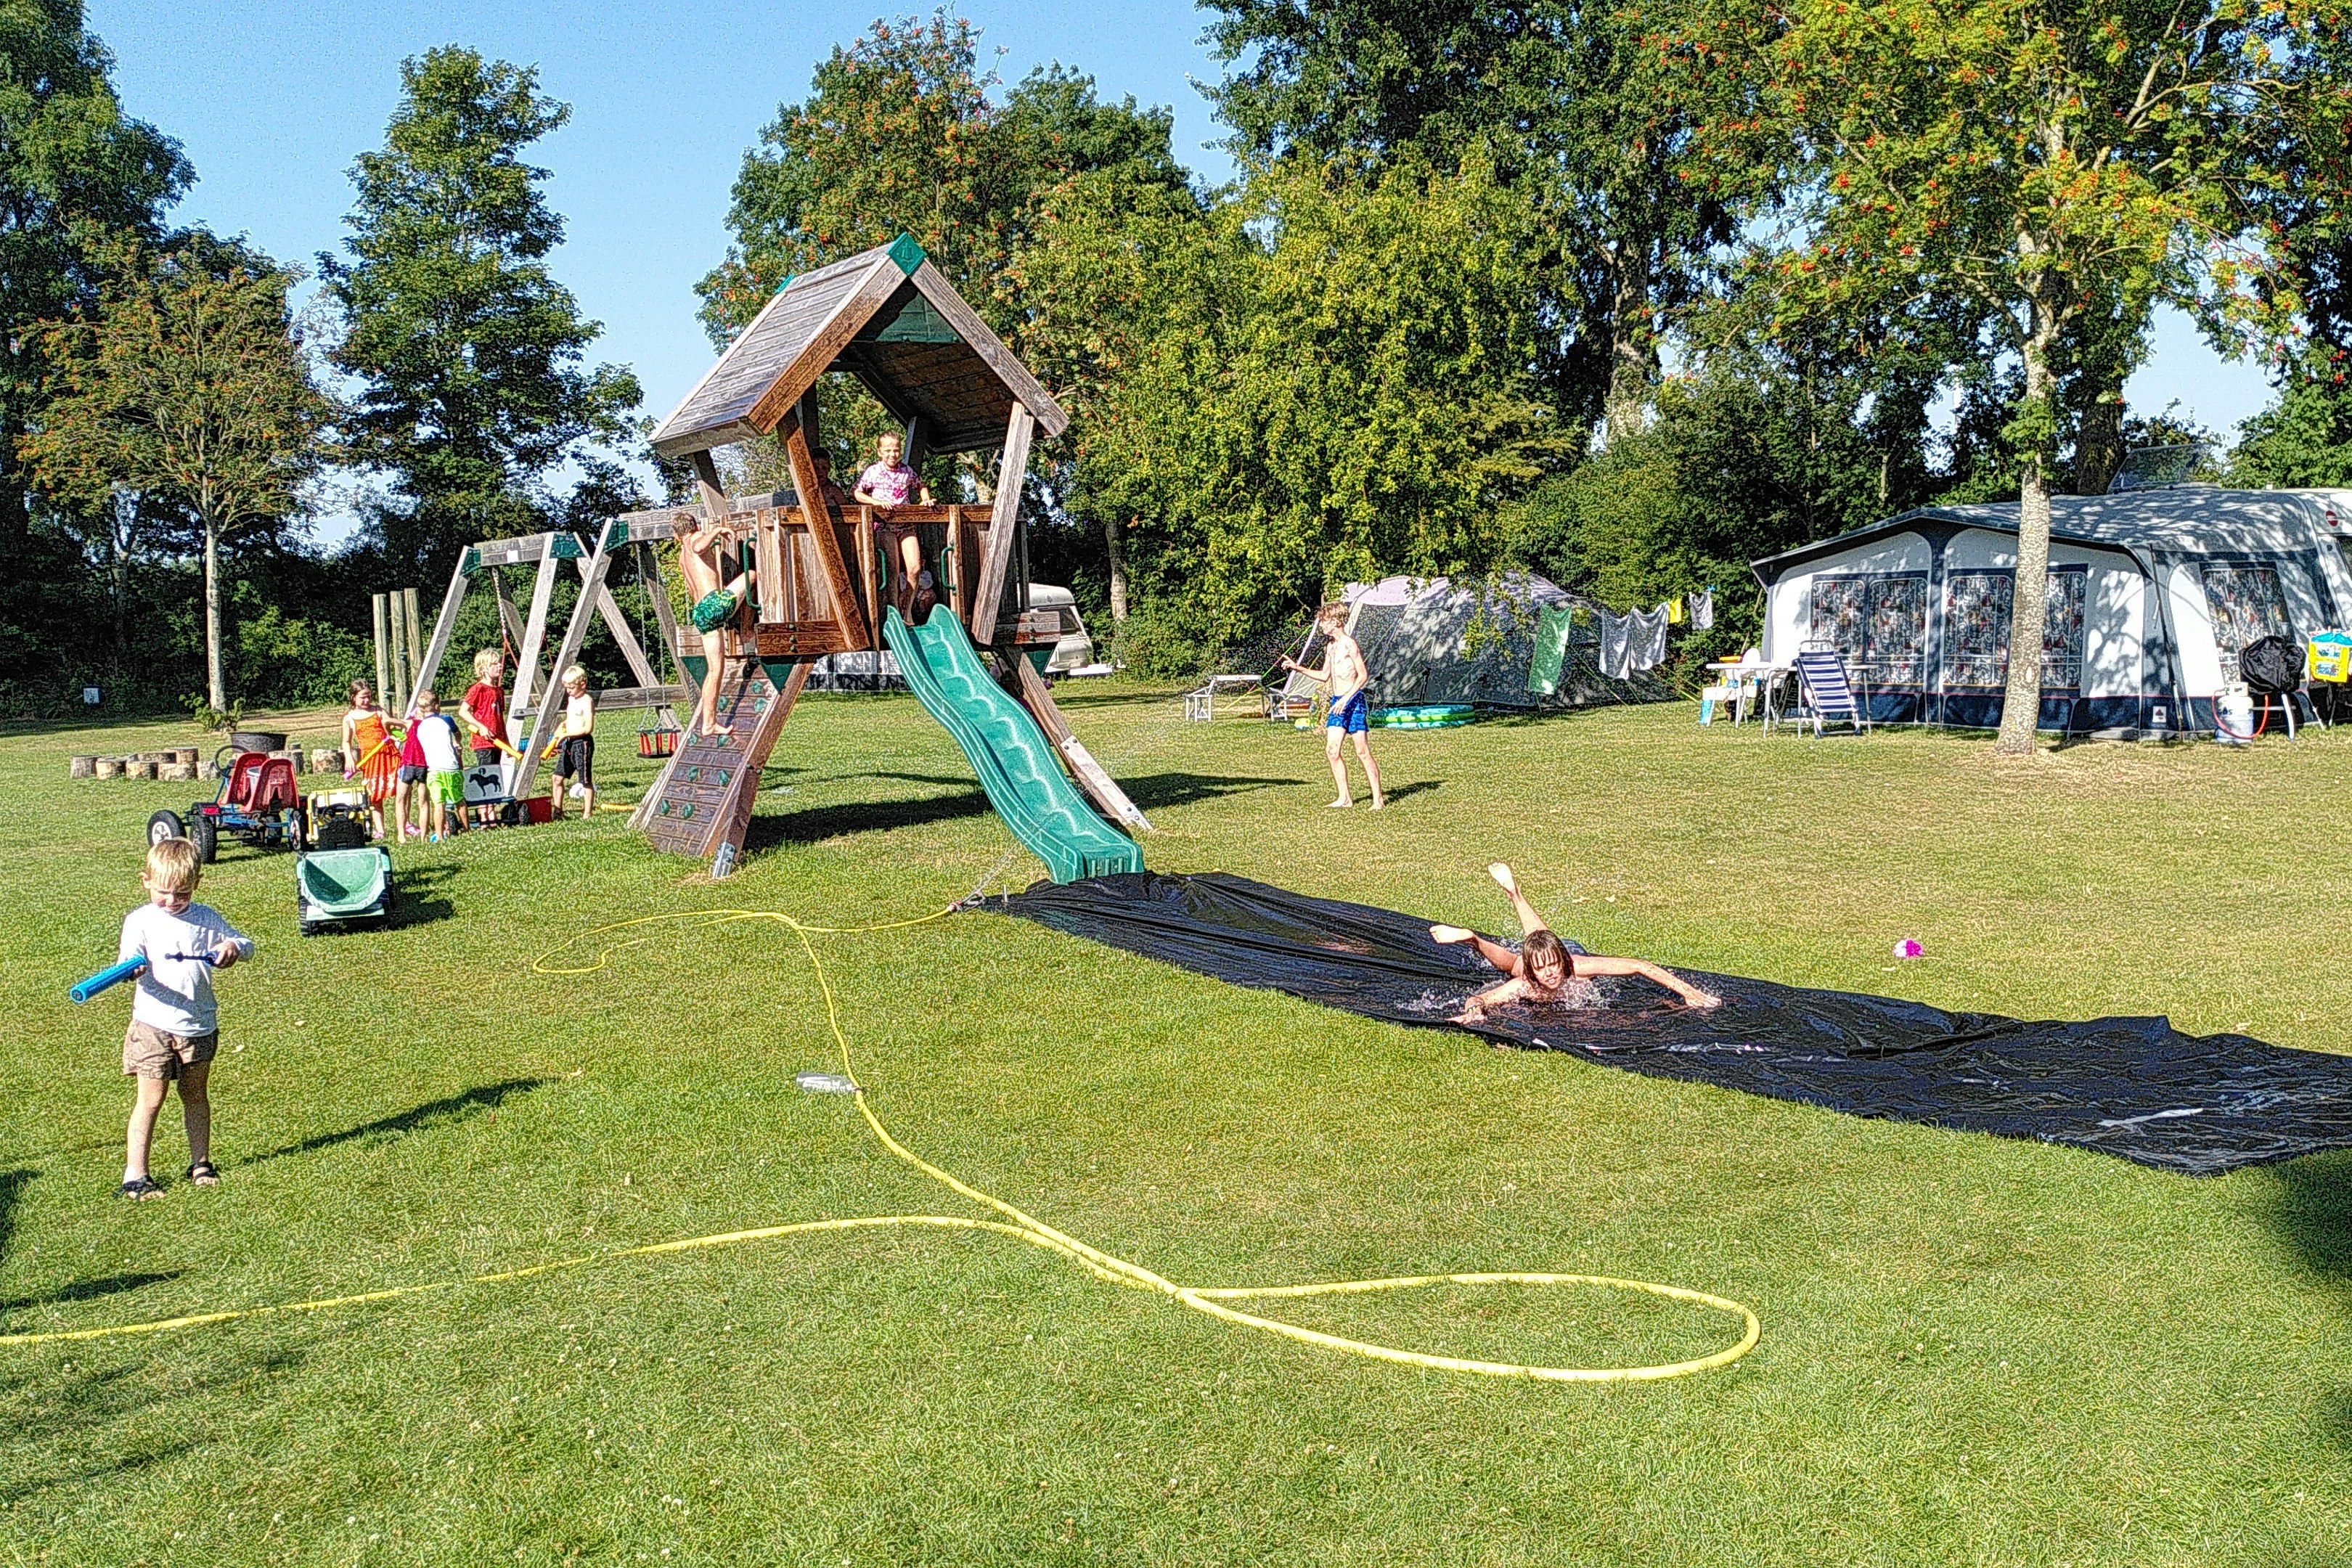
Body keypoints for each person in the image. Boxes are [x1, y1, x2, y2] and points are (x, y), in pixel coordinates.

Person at [115, 837, 252, 1198]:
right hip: (153, 1024)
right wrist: (130, 969)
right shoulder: (140, 921)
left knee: (195, 1095)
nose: (172, 901)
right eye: (163, 892)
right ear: (145, 881)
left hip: (199, 1023)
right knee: (151, 1099)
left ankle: (200, 1164)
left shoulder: (206, 918)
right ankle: (136, 1175)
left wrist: (231, 947)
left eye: (182, 893)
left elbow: (246, 944)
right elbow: (126, 960)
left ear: (197, 884)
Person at [1432, 862, 1720, 1021]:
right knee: (1513, 965)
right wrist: (1474, 1013)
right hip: (1531, 961)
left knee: (1542, 943)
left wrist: (1689, 993)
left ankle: (1515, 894)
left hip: (1569, 950)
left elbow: (1639, 966)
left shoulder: (1576, 967)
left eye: (1553, 965)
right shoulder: (1526, 983)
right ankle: (1473, 938)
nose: (1550, 973)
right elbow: (1479, 999)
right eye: (1541, 969)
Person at [1280, 603, 1387, 809]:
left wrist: (1346, 698)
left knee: (1362, 752)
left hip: (1353, 702)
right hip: (1337, 703)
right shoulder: (1331, 647)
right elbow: (1324, 675)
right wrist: (1297, 668)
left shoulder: (1349, 644)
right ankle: (1345, 798)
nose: (1321, 625)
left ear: (1335, 622)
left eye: (1324, 621)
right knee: (1332, 751)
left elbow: (1363, 675)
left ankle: (1378, 800)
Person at [675, 510, 752, 740]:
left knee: (715, 669)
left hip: (699, 611)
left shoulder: (681, 555)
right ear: (696, 526)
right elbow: (699, 546)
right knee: (752, 575)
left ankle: (708, 724)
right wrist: (718, 530)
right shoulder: (696, 538)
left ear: (676, 535)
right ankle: (747, 630)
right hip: (713, 604)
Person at [854, 430, 936, 621]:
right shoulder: (873, 471)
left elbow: (921, 485)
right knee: (892, 570)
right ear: (880, 452)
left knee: (915, 568)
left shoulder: (906, 471)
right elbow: (857, 493)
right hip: (885, 526)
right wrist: (876, 502)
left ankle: (907, 609)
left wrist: (925, 499)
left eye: (896, 450)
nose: (893, 454)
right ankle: (895, 613)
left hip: (906, 525)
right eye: (888, 450)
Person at [340, 679, 398, 841]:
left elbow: (390, 727)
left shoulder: (379, 711)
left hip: (389, 755)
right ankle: (380, 830)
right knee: (374, 796)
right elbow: (346, 742)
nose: (367, 700)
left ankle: (405, 823)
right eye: (363, 697)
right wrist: (349, 758)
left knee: (400, 790)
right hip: (370, 760)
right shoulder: (349, 718)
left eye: (369, 696)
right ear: (353, 697)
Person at [459, 648, 509, 827]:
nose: (499, 666)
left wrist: (507, 743)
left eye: (499, 663)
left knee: (495, 774)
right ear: (484, 668)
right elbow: (463, 711)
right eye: (495, 664)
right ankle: (484, 816)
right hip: (483, 742)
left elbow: (500, 718)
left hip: (498, 741)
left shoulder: (499, 690)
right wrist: (481, 727)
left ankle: (492, 813)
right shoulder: (478, 689)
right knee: (485, 775)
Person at [412, 688, 465, 841]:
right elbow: (458, 733)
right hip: (452, 767)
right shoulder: (446, 719)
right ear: (436, 705)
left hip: (433, 770)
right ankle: (467, 830)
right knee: (459, 801)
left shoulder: (420, 727)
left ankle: (440, 835)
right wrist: (457, 742)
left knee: (438, 804)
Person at [548, 663, 597, 820]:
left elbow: (588, 728)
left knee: (585, 780)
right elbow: (570, 720)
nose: (568, 691)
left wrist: (567, 734)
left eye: (572, 687)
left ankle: (587, 813)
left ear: (583, 685)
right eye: (566, 687)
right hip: (569, 742)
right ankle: (558, 812)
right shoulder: (571, 699)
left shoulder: (586, 701)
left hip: (582, 744)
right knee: (557, 778)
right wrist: (561, 729)